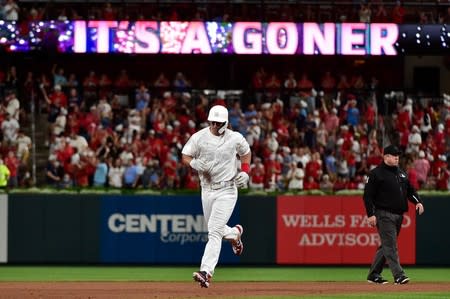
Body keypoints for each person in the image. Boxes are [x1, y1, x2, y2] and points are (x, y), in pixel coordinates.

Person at [181, 105, 251, 288]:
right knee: (217, 230)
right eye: (212, 121)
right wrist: (194, 163)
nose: (213, 124)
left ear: (225, 122)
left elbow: (246, 153)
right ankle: (235, 233)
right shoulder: (199, 137)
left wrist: (245, 172)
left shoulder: (235, 138)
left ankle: (206, 272)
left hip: (227, 190)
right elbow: (185, 155)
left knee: (213, 231)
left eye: (218, 122)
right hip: (207, 189)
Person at [363, 145, 424, 285]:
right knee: (390, 245)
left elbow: (410, 190)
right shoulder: (376, 174)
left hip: (398, 215)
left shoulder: (401, 173)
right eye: (393, 155)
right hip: (383, 214)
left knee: (386, 246)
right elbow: (367, 196)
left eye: (398, 155)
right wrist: (370, 214)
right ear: (386, 157)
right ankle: (399, 275)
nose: (397, 157)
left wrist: (418, 202)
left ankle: (373, 274)